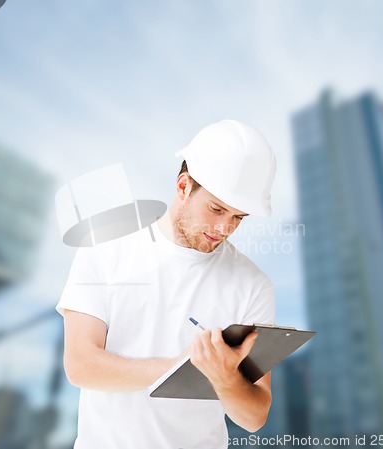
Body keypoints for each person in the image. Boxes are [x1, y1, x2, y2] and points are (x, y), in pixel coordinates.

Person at [57, 119, 277, 449]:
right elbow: (81, 365)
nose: (224, 228)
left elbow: (254, 416)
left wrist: (226, 377)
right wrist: (184, 367)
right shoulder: (104, 248)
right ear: (183, 186)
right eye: (216, 209)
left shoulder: (252, 286)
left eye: (238, 217)